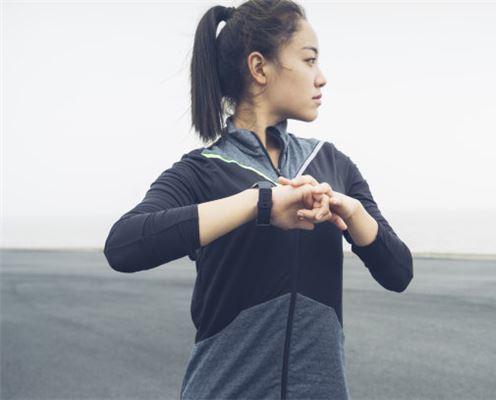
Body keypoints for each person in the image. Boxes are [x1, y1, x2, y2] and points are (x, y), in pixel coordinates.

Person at [103, 0, 413, 399]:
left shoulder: (332, 164)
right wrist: (260, 204)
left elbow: (399, 273)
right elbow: (124, 246)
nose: (321, 78)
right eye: (309, 60)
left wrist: (351, 212)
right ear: (259, 68)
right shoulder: (203, 170)